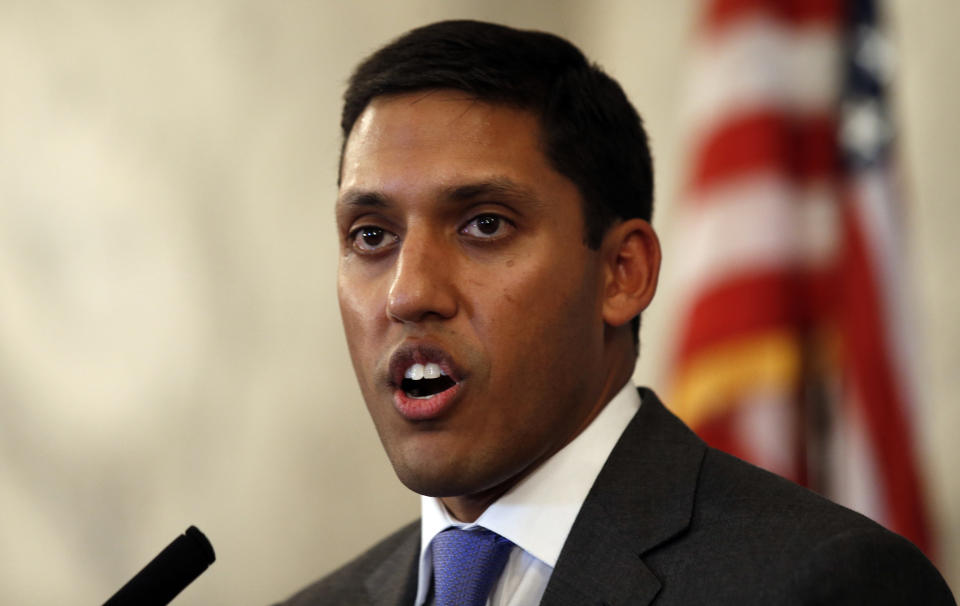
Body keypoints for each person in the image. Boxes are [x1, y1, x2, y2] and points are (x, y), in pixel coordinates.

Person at [275, 19, 955, 606]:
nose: (407, 293)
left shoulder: (825, 584)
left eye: (484, 225)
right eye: (371, 236)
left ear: (622, 273)